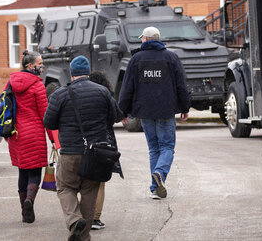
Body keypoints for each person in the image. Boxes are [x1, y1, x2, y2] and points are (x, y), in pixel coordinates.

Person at [44, 56, 119, 241]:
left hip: (70, 152)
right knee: (89, 192)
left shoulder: (60, 94)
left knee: (64, 187)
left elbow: (48, 121)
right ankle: (83, 237)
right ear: (88, 71)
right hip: (95, 154)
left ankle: (74, 220)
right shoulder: (102, 92)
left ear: (72, 73)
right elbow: (115, 117)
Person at [118, 26, 190, 200]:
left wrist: (122, 111)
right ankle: (159, 174)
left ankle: (154, 188)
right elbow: (181, 85)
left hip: (145, 111)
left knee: (154, 149)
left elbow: (127, 87)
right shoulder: (171, 57)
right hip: (166, 110)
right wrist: (185, 107)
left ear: (145, 39)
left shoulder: (136, 59)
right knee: (167, 147)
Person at [5, 50, 55, 223]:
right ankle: (30, 201)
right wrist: (53, 138)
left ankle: (23, 211)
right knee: (35, 172)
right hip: (34, 134)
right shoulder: (37, 85)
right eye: (39, 64)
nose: (42, 67)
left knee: (22, 172)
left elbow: (5, 106)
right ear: (30, 66)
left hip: (16, 134)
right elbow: (45, 115)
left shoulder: (10, 83)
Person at [88, 71, 124, 230]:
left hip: (83, 141)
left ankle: (83, 216)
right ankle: (95, 218)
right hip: (103, 141)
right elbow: (117, 116)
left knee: (84, 181)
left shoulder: (79, 95)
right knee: (100, 183)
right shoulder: (106, 96)